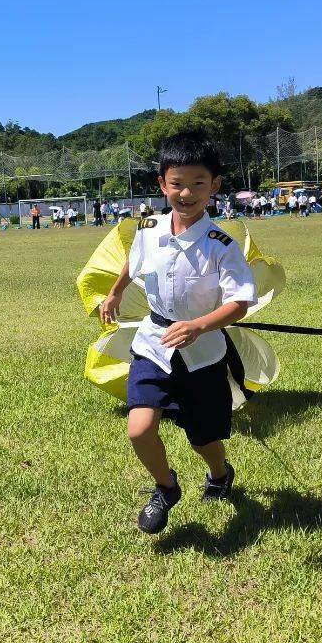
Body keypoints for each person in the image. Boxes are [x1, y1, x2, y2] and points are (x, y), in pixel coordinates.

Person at [99, 133, 256, 535]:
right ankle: (166, 488)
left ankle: (220, 474)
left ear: (215, 186)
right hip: (153, 344)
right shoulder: (148, 228)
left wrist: (199, 325)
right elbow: (133, 265)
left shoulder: (221, 245)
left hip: (202, 354)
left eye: (198, 183)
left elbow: (240, 302)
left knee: (203, 439)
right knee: (140, 427)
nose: (186, 193)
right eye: (177, 183)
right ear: (162, 184)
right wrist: (115, 293)